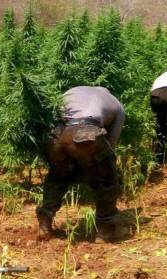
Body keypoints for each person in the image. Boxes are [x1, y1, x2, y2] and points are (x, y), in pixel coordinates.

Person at [37, 86, 126, 242]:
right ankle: (106, 229)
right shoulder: (117, 105)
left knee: (58, 176)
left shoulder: (70, 92)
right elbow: (111, 144)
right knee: (106, 178)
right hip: (86, 132)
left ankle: (45, 223)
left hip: (56, 135)